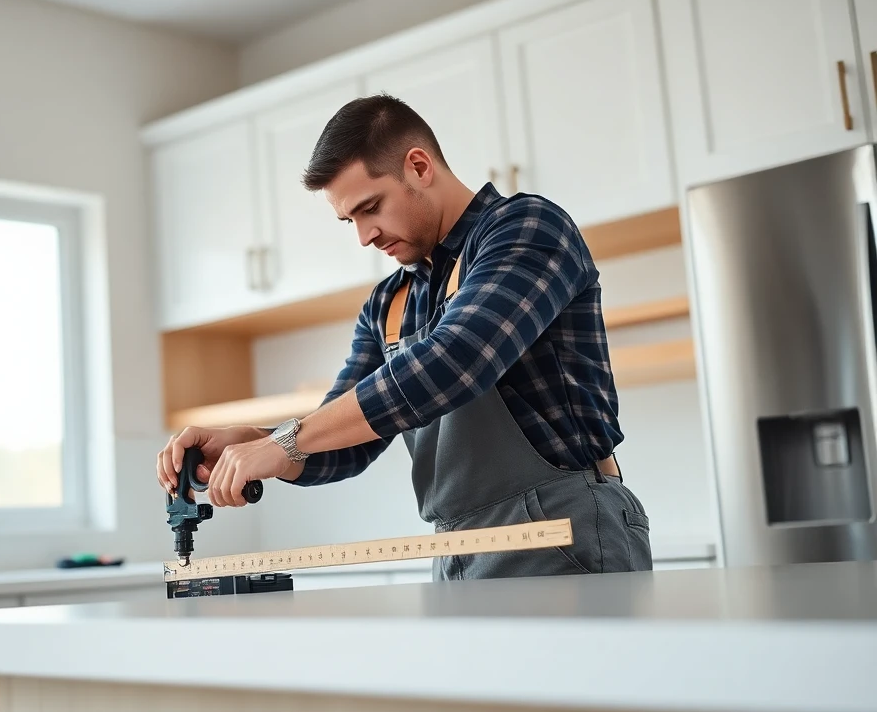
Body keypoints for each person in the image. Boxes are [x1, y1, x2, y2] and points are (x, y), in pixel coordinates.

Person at [155, 93, 652, 580]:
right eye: (349, 219)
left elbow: (453, 363)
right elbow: (342, 440)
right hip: (455, 545)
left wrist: (287, 439)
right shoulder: (388, 305)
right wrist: (258, 442)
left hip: (561, 531)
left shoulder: (526, 228)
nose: (364, 236)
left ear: (418, 166)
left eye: (371, 207)